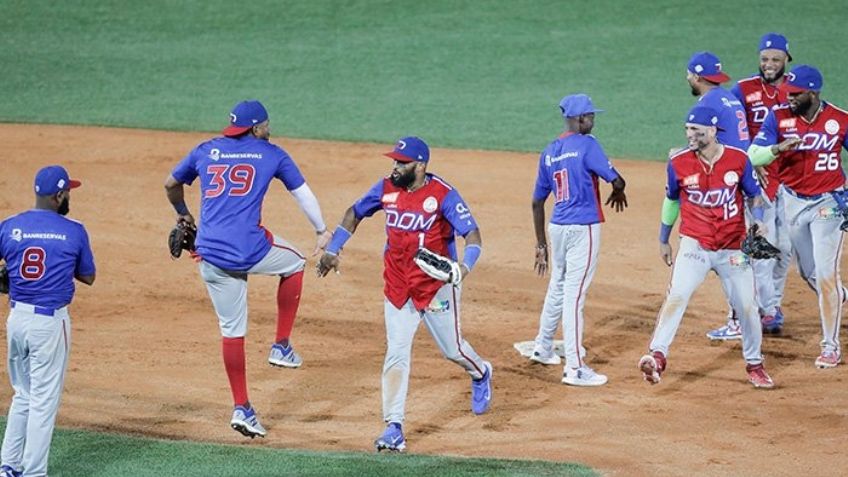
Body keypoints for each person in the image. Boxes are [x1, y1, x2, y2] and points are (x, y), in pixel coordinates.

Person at [164, 100, 332, 438]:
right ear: (256, 128)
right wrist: (320, 230)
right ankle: (281, 345)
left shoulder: (206, 149)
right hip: (250, 250)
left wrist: (182, 213)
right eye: (266, 125)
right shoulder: (272, 154)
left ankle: (242, 407)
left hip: (208, 254)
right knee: (296, 261)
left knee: (232, 331)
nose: (269, 129)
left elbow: (170, 183)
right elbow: (302, 194)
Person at [316, 136, 492, 452]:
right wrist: (333, 248)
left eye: (402, 162)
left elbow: (473, 234)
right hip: (398, 285)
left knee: (453, 351)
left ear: (420, 165)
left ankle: (480, 372)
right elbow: (353, 212)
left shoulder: (443, 195)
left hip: (435, 286)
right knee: (396, 352)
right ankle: (393, 426)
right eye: (395, 161)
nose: (395, 167)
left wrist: (463, 269)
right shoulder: (386, 189)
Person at [640, 105, 775, 389]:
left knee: (748, 306)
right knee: (677, 295)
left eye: (697, 131)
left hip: (733, 248)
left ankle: (755, 365)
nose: (690, 135)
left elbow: (754, 196)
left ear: (713, 132)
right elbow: (672, 199)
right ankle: (658, 356)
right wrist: (663, 238)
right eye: (688, 129)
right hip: (695, 245)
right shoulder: (678, 162)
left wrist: (760, 220)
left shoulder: (738, 160)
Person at [749, 65, 848, 368]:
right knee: (809, 273)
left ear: (813, 92)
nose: (788, 97)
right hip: (792, 203)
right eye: (788, 92)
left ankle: (830, 346)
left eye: (795, 93)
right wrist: (777, 149)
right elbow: (752, 155)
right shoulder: (778, 118)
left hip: (829, 203)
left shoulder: (840, 120)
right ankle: (840, 299)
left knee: (827, 275)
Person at [0, 166, 96, 477]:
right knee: (43, 400)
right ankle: (33, 472)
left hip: (16, 320)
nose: (69, 196)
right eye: (67, 191)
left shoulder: (9, 226)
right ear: (58, 195)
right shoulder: (73, 230)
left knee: (23, 394)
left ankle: (8, 465)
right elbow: (88, 276)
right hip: (48, 325)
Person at [529, 94, 627, 387]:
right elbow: (616, 179)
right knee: (575, 297)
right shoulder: (587, 144)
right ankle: (575, 367)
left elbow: (536, 202)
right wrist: (619, 190)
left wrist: (540, 245)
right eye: (591, 116)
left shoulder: (550, 151)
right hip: (583, 228)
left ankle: (543, 346)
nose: (593, 121)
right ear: (580, 119)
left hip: (556, 228)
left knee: (558, 287)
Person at [682, 51, 756, 341]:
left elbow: (706, 147)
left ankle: (740, 320)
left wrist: (679, 156)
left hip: (729, 189)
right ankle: (745, 315)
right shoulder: (729, 98)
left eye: (689, 74)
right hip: (741, 177)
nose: (687, 78)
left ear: (698, 76)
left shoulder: (707, 104)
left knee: (728, 255)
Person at [728, 33, 793, 335]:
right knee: (762, 246)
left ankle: (772, 304)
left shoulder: (797, 89)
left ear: (786, 60)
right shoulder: (743, 89)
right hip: (758, 180)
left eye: (775, 59)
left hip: (791, 179)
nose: (769, 64)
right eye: (765, 58)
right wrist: (751, 164)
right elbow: (730, 129)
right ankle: (766, 311)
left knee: (785, 248)